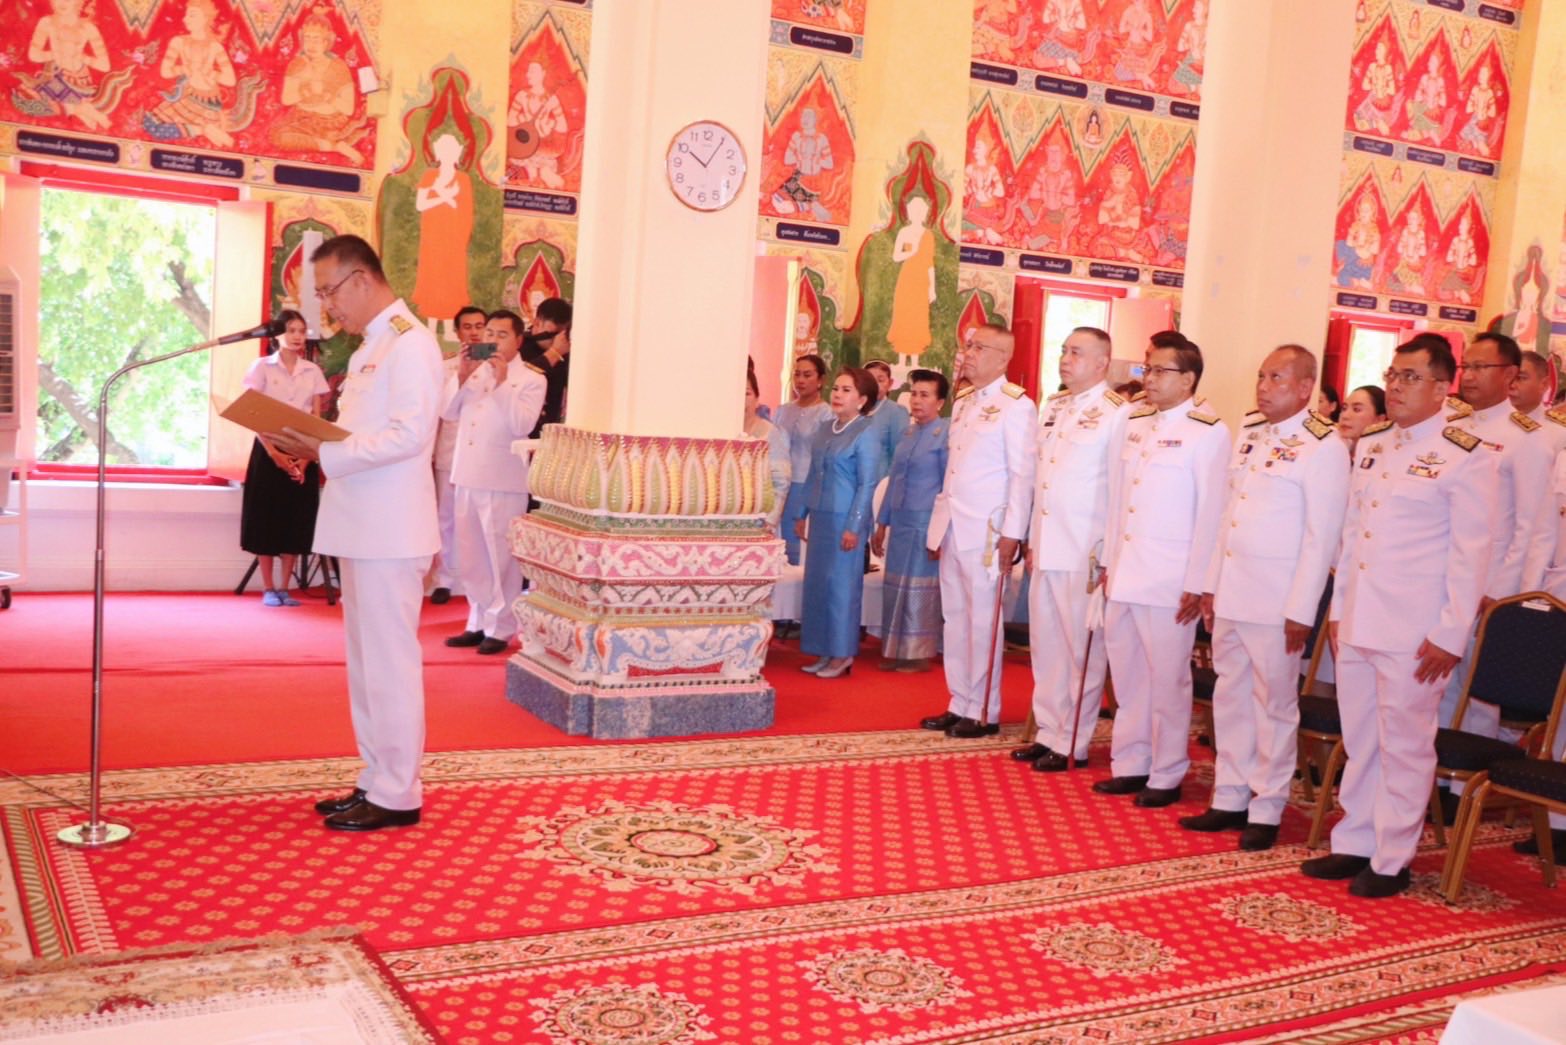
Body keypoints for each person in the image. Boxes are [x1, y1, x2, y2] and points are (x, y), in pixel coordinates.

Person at [1302, 335, 1497, 897]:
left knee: (1404, 745)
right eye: (1393, 375)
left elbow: (1470, 555)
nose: (1397, 386)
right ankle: (1355, 840)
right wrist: (1339, 612)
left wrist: (1450, 634)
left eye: (1411, 377)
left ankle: (1392, 858)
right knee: (1362, 738)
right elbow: (1352, 539)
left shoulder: (1467, 454)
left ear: (1442, 388)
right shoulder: (1375, 444)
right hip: (1359, 620)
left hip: (1415, 631)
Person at [268, 234, 446, 832]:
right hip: (364, 525)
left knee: (390, 665)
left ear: (362, 279)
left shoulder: (410, 343)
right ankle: (376, 778)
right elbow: (364, 432)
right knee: (367, 667)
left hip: (391, 530)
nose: (326, 307)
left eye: (329, 292)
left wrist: (325, 451)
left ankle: (399, 792)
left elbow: (410, 436)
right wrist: (306, 442)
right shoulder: (375, 344)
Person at [1185, 346, 1348, 851]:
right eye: (1261, 375)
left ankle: (1267, 805)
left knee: (1273, 705)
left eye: (1276, 377)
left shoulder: (1323, 445)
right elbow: (1227, 517)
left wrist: (1301, 609)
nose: (1263, 386)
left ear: (1304, 387)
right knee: (1230, 697)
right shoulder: (1252, 431)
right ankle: (1229, 795)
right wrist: (1212, 583)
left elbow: (1321, 537)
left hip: (1278, 603)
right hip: (1234, 592)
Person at [1095, 332, 1230, 807]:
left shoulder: (1208, 431)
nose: (1148, 378)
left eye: (1159, 371)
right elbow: (1117, 500)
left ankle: (1167, 772)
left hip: (1169, 579)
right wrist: (1109, 561)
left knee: (1168, 680)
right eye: (1146, 369)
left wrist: (1198, 582)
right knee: (1128, 676)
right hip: (1126, 572)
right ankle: (1131, 762)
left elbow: (1212, 515)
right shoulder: (1133, 421)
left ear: (1188, 379)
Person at [1433, 332, 1555, 805]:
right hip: (1444, 576)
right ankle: (1433, 776)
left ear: (1510, 376)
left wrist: (1504, 595)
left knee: (1477, 693)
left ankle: (1463, 790)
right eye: (1467, 367)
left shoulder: (1526, 440)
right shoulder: (1450, 428)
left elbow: (1530, 526)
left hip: (1489, 585)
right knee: (1436, 681)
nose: (1470, 376)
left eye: (1482, 368)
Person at [1015, 326, 1130, 773]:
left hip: (1084, 550)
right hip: (1048, 544)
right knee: (1047, 646)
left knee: (1080, 649)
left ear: (1102, 363)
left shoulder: (1117, 413)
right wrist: (1031, 538)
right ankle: (1049, 730)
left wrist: (1108, 555)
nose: (1065, 359)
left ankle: (1073, 742)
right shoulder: (1055, 407)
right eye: (1064, 351)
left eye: (1077, 353)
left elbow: (1119, 491)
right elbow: (1041, 481)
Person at [920, 324, 1036, 738]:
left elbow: (1022, 475)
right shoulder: (966, 401)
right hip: (954, 523)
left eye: (979, 348)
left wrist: (1013, 533)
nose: (968, 354)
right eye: (968, 346)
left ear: (1003, 358)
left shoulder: (1016, 405)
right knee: (955, 618)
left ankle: (984, 709)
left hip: (988, 530)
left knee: (984, 620)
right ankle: (960, 702)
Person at [441, 310, 547, 656]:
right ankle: (477, 620)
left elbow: (521, 425)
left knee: (500, 557)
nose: (493, 340)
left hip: (503, 479)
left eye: (502, 335)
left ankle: (500, 627)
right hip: (467, 474)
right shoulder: (475, 371)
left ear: (519, 340)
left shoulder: (530, 379)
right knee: (471, 555)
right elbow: (447, 412)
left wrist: (502, 384)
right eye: (489, 333)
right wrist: (462, 374)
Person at [796, 368, 882, 679]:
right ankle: (824, 649)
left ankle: (842, 653)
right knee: (818, 586)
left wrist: (854, 526)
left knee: (841, 588)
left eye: (846, 390)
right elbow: (812, 473)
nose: (837, 394)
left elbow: (867, 484)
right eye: (836, 388)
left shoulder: (866, 432)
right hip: (821, 517)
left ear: (862, 400)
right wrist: (802, 513)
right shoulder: (824, 429)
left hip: (845, 520)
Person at [239, 309, 328, 607]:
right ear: (277, 334)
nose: (297, 336)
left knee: (295, 517)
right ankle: (268, 587)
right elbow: (252, 414)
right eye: (291, 330)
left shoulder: (312, 371)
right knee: (266, 517)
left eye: (301, 331)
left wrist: (307, 457)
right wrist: (274, 453)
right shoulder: (261, 367)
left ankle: (285, 587)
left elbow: (317, 419)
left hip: (302, 449)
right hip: (268, 449)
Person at [872, 369, 949, 672]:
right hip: (901, 522)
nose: (917, 400)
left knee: (919, 589)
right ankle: (895, 650)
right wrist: (882, 524)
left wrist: (941, 533)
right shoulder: (908, 434)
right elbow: (894, 481)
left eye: (925, 395)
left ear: (940, 402)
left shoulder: (945, 434)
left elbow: (947, 488)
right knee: (896, 587)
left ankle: (918, 654)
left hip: (926, 524)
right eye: (914, 394)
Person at [430, 305, 488, 604]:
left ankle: (475, 582)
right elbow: (441, 411)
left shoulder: (497, 366)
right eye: (468, 327)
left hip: (484, 457)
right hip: (450, 451)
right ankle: (443, 580)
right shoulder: (447, 367)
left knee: (479, 520)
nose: (474, 332)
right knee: (446, 518)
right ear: (457, 332)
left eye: (480, 326)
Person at [774, 354, 833, 565]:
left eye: (807, 375)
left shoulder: (826, 413)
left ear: (821, 380)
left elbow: (824, 456)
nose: (800, 380)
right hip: (780, 483)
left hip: (806, 483)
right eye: (797, 374)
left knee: (797, 540)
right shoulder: (783, 410)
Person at [744, 370, 791, 535]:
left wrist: (771, 520)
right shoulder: (723, 430)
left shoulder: (770, 433)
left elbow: (781, 480)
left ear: (757, 399)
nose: (742, 400)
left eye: (747, 393)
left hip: (762, 520)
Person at [520, 297, 573, 438]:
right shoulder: (519, 345)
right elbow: (520, 379)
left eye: (563, 334)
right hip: (520, 432)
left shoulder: (567, 352)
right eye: (553, 334)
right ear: (537, 323)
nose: (558, 340)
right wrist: (554, 353)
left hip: (549, 433)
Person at [1511, 349, 1566, 457]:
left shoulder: (1560, 431)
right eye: (1508, 377)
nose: (1512, 385)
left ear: (1544, 384)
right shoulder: (1487, 419)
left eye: (1520, 378)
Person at [864, 359, 911, 477]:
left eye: (880, 380)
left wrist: (886, 484)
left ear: (890, 384)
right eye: (869, 380)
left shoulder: (897, 412)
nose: (874, 385)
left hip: (880, 481)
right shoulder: (854, 409)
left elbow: (898, 456)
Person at [1336, 385, 1387, 456]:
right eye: (1344, 408)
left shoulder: (1384, 459)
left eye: (1357, 409)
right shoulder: (1333, 451)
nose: (1345, 416)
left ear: (1379, 419)